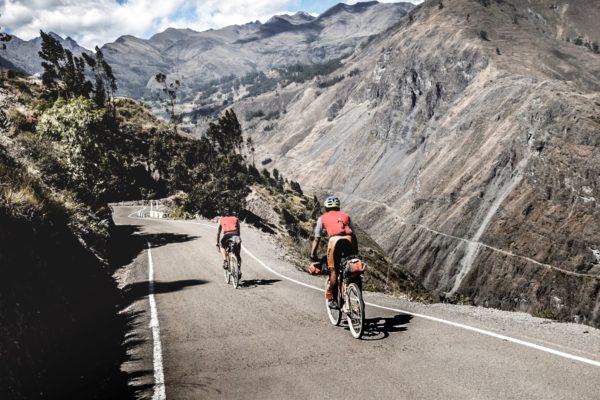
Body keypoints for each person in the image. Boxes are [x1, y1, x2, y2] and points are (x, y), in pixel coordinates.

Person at [309, 195, 358, 309]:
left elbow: (317, 238)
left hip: (334, 242)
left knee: (333, 271)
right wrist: (356, 253)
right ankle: (357, 295)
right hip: (349, 241)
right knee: (353, 266)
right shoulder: (346, 216)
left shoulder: (322, 218)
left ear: (326, 207)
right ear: (338, 207)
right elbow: (354, 236)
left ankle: (333, 299)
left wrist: (312, 254)